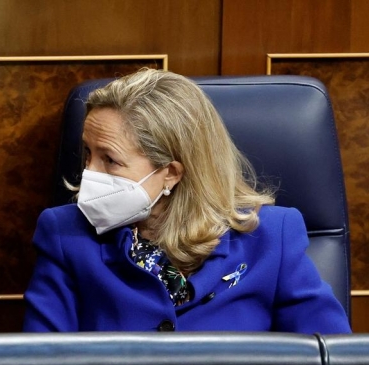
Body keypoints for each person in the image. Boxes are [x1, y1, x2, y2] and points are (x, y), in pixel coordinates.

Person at [23, 68, 351, 333]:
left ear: (171, 173)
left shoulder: (270, 237)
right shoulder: (65, 235)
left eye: (110, 160)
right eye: (87, 154)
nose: (89, 173)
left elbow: (330, 362)